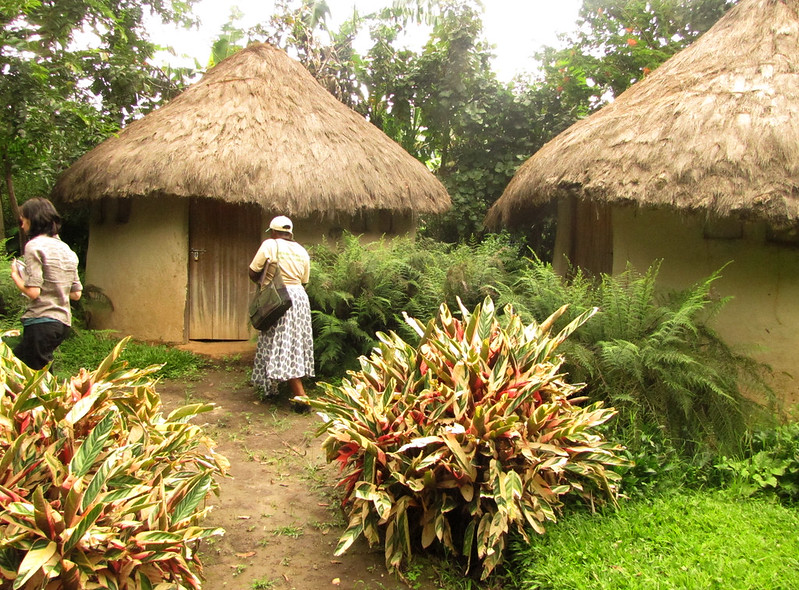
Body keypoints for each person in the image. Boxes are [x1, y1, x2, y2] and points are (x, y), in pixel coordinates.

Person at [10, 197, 82, 371]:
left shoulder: (34, 246)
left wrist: (16, 276)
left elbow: (34, 292)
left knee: (38, 378)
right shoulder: (67, 249)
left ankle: (55, 398)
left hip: (41, 321)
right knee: (17, 364)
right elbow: (76, 294)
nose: (21, 225)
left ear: (32, 218)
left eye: (23, 219)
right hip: (62, 323)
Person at [248, 215, 314, 398]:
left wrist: (264, 280)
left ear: (275, 232)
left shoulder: (270, 244)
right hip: (299, 298)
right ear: (290, 232)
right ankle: (271, 387)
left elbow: (252, 272)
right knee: (293, 341)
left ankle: (301, 396)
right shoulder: (302, 251)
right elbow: (305, 281)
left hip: (279, 297)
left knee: (279, 340)